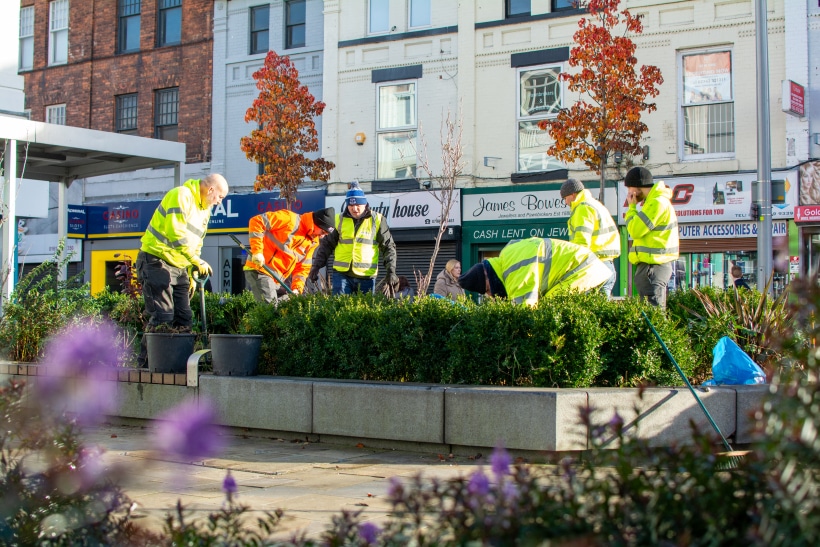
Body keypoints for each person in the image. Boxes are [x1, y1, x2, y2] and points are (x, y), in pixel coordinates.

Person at [135, 175, 229, 364]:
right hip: (156, 260)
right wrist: (196, 261)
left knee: (184, 318)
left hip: (179, 266)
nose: (219, 202)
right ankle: (146, 366)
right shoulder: (181, 195)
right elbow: (175, 233)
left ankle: (176, 366)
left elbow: (197, 243)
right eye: (219, 197)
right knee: (163, 316)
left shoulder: (205, 211)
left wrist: (192, 272)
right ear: (210, 190)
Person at [457, 237, 612, 307]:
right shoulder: (509, 258)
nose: (490, 295)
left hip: (586, 271)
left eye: (487, 289)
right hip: (590, 268)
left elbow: (526, 311)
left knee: (551, 308)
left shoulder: (514, 272)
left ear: (488, 276)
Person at [309, 182, 397, 295]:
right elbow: (326, 245)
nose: (354, 209)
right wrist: (316, 266)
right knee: (340, 308)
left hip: (366, 276)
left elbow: (388, 246)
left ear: (365, 204)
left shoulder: (377, 220)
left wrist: (391, 271)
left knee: (364, 311)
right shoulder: (338, 220)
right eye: (350, 205)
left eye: (358, 205)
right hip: (341, 275)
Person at [243, 207, 336, 303]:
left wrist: (297, 289)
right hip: (261, 269)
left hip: (278, 279)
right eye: (323, 231)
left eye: (326, 234)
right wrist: (257, 251)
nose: (322, 236)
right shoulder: (289, 219)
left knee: (285, 307)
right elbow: (257, 221)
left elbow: (302, 269)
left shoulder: (312, 242)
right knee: (270, 309)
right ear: (316, 223)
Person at [623, 166, 679, 308]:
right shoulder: (654, 201)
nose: (629, 193)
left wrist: (632, 209)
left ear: (637, 187)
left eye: (629, 188)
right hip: (652, 266)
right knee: (652, 309)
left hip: (653, 267)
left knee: (653, 312)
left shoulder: (657, 202)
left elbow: (635, 231)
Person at [560, 178, 620, 297]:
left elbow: (582, 241)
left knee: (587, 306)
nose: (566, 203)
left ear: (573, 194)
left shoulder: (582, 208)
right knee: (602, 309)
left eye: (565, 198)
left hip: (593, 264)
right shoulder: (596, 204)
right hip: (608, 264)